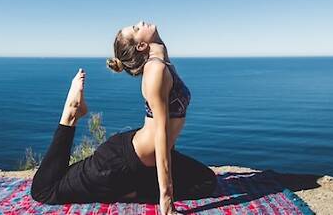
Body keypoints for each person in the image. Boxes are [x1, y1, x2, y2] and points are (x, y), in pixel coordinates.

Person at [30, 20, 217, 215]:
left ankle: (129, 189)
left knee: (206, 182)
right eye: (136, 28)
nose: (140, 22)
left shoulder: (162, 63)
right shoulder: (156, 71)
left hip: (144, 159)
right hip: (119, 161)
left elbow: (166, 134)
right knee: (45, 190)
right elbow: (160, 135)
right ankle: (71, 114)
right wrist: (166, 201)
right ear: (141, 45)